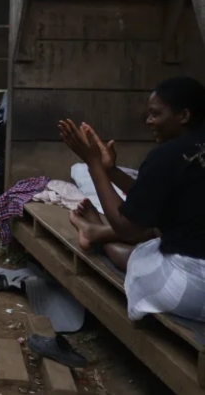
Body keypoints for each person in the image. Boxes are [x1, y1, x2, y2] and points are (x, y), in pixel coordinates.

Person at [60, 76, 205, 322]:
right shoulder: (187, 150)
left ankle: (96, 237)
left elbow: (127, 228)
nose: (149, 121)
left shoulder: (167, 155)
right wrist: (111, 171)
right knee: (155, 228)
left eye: (155, 114)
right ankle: (95, 231)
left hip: (193, 288)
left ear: (183, 116)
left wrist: (93, 162)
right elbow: (154, 196)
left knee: (141, 254)